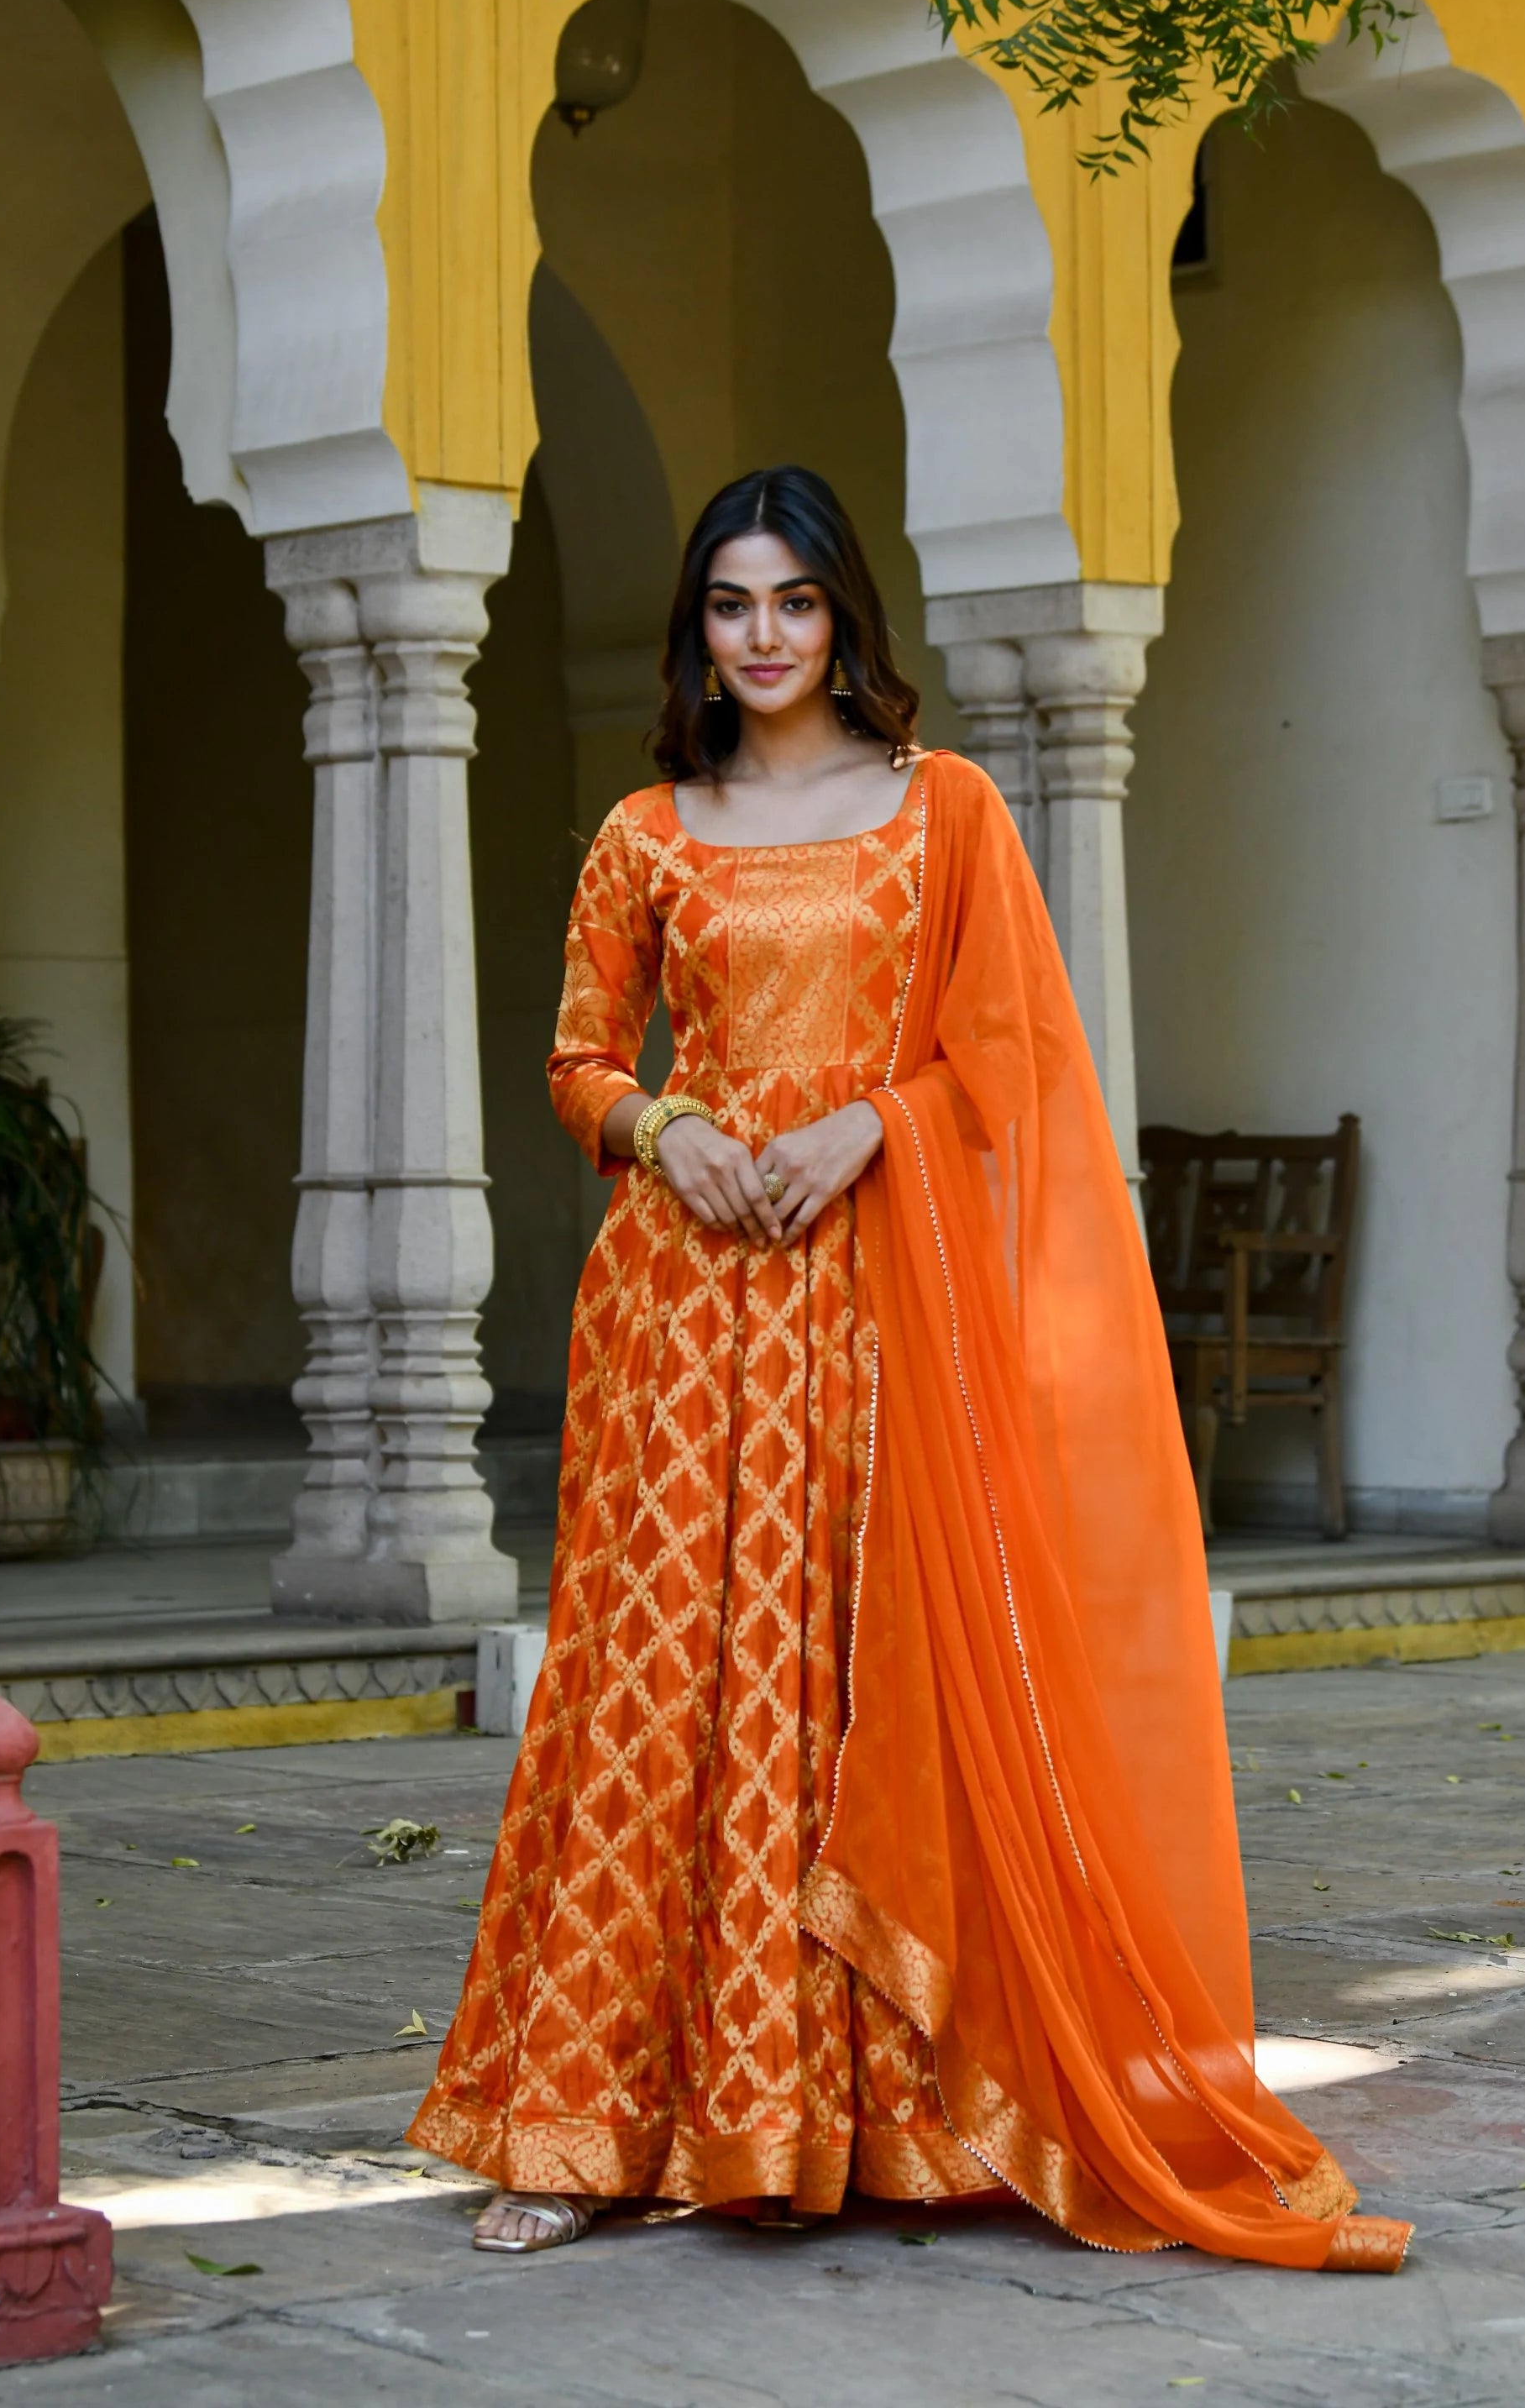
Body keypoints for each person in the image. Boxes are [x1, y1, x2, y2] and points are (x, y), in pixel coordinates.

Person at [408, 465, 1411, 2273]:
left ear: (844, 618)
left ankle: (890, 2116)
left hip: (873, 1311)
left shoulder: (939, 809)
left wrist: (877, 1116)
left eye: (795, 602)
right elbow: (574, 1059)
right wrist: (662, 1126)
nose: (765, 635)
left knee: (854, 1688)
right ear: (695, 628)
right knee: (656, 1697)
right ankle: (587, 2123)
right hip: (682, 1326)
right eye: (731, 604)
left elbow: (1008, 1052)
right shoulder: (646, 830)